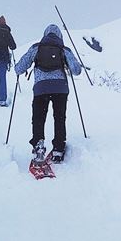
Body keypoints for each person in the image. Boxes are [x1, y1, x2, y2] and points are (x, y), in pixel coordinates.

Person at [14, 24, 81, 163]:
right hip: (60, 89)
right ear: (60, 36)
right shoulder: (63, 49)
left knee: (38, 118)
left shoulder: (36, 48)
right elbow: (76, 70)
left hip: (41, 88)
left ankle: (38, 147)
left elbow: (19, 68)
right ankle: (58, 149)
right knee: (59, 117)